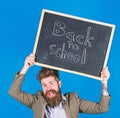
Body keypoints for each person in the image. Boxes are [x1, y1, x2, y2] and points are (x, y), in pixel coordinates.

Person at [9, 53, 111, 118]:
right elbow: (13, 92)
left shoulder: (73, 100)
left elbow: (102, 108)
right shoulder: (36, 101)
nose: (48, 88)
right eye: (44, 85)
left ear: (59, 84)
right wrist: (26, 67)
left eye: (51, 83)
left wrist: (104, 83)